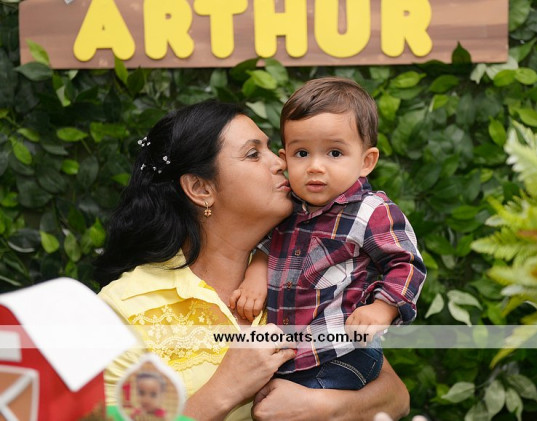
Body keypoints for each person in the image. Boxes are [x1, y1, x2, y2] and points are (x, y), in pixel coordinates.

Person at [95, 100, 411, 420]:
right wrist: (226, 388)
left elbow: (395, 394)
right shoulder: (124, 307)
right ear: (201, 188)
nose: (280, 162)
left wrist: (323, 406)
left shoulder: (308, 265)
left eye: (272, 149)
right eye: (253, 154)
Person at [229, 77, 427, 390]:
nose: (315, 167)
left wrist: (383, 308)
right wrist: (256, 274)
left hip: (343, 352)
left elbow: (407, 264)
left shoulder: (370, 211)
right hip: (292, 355)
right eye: (302, 153)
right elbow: (270, 245)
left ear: (366, 161)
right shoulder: (287, 208)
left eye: (334, 153)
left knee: (295, 404)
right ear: (285, 158)